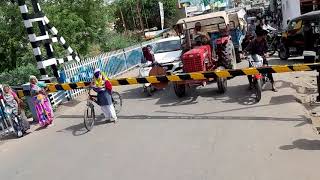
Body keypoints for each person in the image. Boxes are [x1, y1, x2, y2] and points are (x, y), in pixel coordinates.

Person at [245, 26, 277, 92]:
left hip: (262, 57)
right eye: (258, 37)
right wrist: (244, 54)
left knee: (267, 69)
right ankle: (250, 83)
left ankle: (272, 83)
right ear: (256, 37)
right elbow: (246, 49)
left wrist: (266, 54)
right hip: (253, 58)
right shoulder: (253, 42)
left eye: (261, 37)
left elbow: (266, 49)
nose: (260, 38)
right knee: (249, 71)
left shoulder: (264, 41)